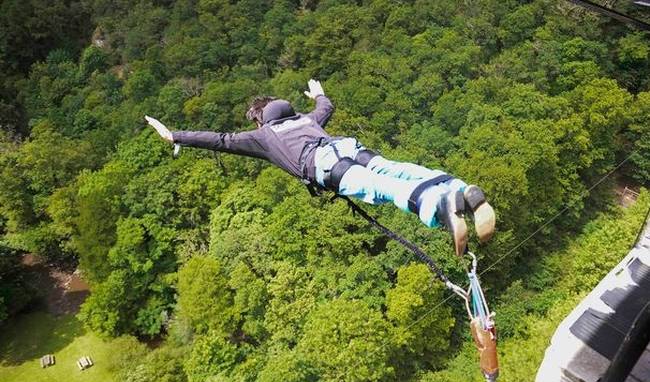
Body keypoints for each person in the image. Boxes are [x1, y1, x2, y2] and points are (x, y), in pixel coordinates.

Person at [145, 79, 495, 256]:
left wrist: (174, 135)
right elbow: (326, 107)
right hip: (346, 146)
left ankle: (439, 207)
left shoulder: (264, 137)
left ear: (259, 120)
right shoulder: (307, 118)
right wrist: (318, 94)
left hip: (324, 165)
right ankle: (459, 190)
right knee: (397, 170)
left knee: (381, 189)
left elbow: (219, 139)